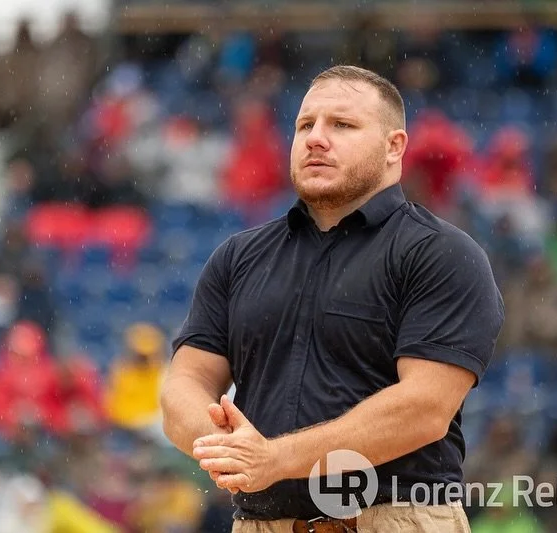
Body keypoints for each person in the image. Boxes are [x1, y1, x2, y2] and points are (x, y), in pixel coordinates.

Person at [161, 65, 505, 532]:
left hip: (395, 520)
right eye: (305, 125)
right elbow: (184, 385)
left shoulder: (443, 254)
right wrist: (230, 450)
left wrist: (275, 458)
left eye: (341, 125)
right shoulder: (237, 257)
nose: (315, 139)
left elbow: (424, 409)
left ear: (394, 146)